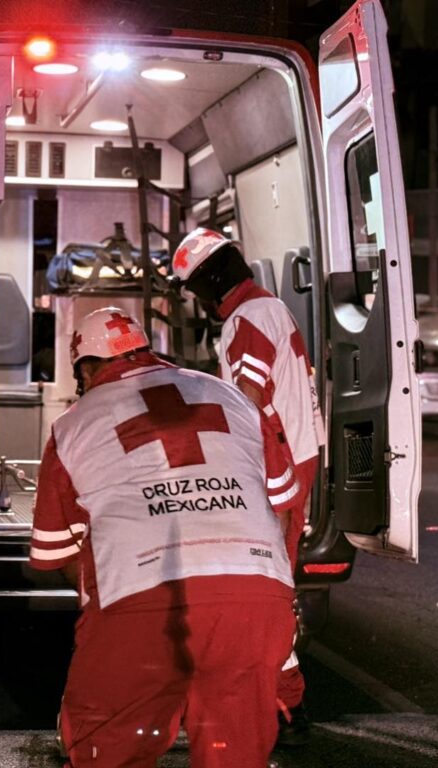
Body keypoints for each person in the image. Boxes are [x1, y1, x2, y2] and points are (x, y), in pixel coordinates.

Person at [30, 307, 301, 768]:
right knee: (234, 752)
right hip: (255, 594)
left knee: (109, 747)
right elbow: (284, 502)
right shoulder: (230, 397)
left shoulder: (73, 424)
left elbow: (58, 550)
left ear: (87, 369)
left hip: (143, 603)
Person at [171, 227, 324, 739]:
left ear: (208, 283)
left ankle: (284, 704)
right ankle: (279, 698)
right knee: (268, 586)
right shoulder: (270, 308)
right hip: (293, 461)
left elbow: (247, 403)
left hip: (274, 471)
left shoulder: (246, 319)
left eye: (195, 289)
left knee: (264, 589)